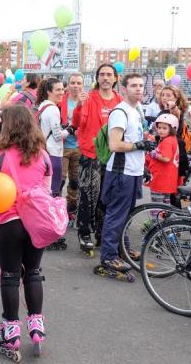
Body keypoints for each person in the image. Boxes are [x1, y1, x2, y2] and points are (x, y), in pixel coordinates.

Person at [0, 104, 52, 358]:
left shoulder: (0, 156)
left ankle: (11, 329)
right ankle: (36, 325)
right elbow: (48, 190)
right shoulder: (44, 156)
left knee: (10, 275)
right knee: (34, 272)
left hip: (10, 221)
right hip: (36, 222)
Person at [98, 73, 153, 276]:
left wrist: (143, 163)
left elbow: (133, 141)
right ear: (123, 89)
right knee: (116, 215)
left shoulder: (136, 110)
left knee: (126, 214)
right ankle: (109, 257)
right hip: (122, 172)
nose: (138, 89)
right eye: (133, 86)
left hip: (133, 170)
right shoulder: (121, 111)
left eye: (140, 85)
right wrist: (139, 145)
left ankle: (123, 249)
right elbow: (115, 144)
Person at [71, 64, 122, 253]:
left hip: (112, 156)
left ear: (116, 78)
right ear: (97, 78)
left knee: (106, 197)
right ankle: (84, 233)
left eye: (109, 74)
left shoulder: (119, 100)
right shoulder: (89, 98)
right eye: (102, 75)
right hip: (90, 154)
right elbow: (77, 123)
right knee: (88, 196)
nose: (106, 78)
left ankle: (102, 232)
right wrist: (78, 106)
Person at [36, 77, 67, 196]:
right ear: (49, 92)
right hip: (53, 153)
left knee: (44, 189)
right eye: (58, 90)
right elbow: (58, 136)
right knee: (53, 191)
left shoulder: (42, 105)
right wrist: (70, 130)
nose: (61, 93)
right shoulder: (53, 108)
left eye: (63, 89)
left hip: (43, 152)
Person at [60, 73, 83, 219]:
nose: (75, 86)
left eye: (79, 83)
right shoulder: (60, 100)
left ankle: (71, 209)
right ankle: (56, 208)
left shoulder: (87, 102)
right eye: (73, 83)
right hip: (62, 147)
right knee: (60, 180)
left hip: (79, 146)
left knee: (75, 181)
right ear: (68, 85)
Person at [145, 114, 179, 204]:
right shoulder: (172, 139)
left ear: (172, 129)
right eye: (159, 127)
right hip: (167, 180)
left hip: (160, 180)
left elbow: (166, 158)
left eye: (164, 128)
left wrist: (154, 154)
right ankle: (164, 218)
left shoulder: (167, 141)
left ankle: (157, 218)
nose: (160, 130)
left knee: (157, 206)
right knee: (165, 205)